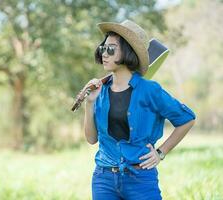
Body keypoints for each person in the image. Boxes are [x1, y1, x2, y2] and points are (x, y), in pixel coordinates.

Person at [83, 20, 196, 200]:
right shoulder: (100, 92)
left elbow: (187, 119)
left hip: (140, 179)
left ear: (128, 52)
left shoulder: (150, 90)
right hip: (104, 179)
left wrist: (161, 152)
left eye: (110, 49)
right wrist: (89, 104)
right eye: (102, 48)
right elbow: (91, 139)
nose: (104, 53)